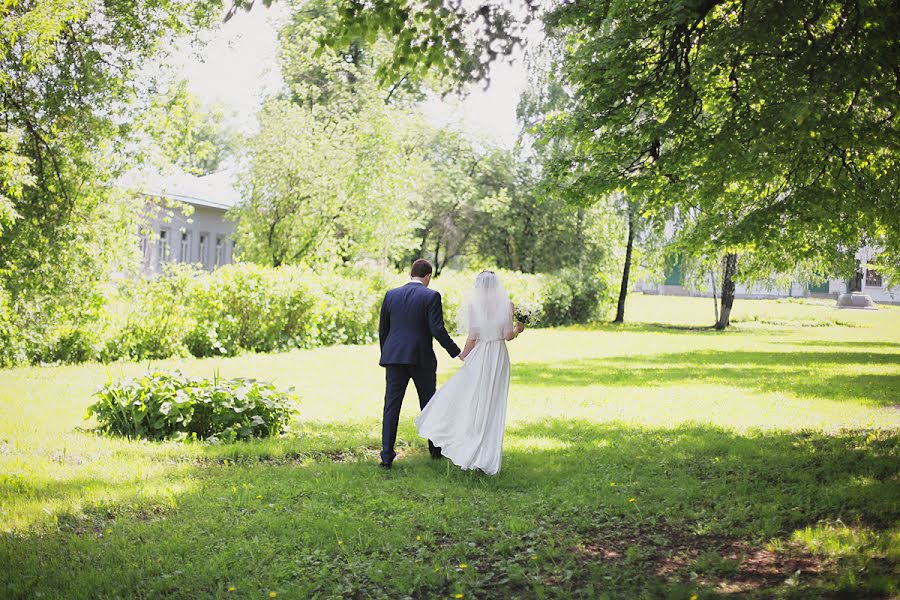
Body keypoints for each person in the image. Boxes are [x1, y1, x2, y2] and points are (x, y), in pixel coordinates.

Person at [415, 270, 525, 475]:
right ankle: (486, 456)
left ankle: (472, 450)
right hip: (499, 356)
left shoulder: (475, 305)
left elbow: (473, 336)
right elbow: (507, 335)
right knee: (493, 404)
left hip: (482, 353)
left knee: (474, 400)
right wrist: (519, 328)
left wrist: (463, 355)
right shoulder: (508, 305)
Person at [378, 259, 461, 469]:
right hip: (421, 358)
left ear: (410, 274)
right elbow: (437, 329)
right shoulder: (431, 295)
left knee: (391, 406)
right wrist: (456, 352)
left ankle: (386, 457)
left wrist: (387, 354)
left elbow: (383, 330)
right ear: (428, 276)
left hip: (394, 358)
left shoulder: (391, 295)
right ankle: (435, 450)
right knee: (429, 405)